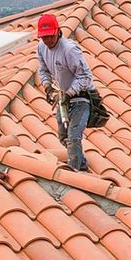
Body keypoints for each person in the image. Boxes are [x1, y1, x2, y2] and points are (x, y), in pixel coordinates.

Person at [34, 12, 96, 171]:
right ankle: (81, 164)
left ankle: (74, 173)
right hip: (63, 99)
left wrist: (69, 93)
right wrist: (47, 87)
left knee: (74, 137)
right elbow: (43, 70)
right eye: (44, 37)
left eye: (50, 36)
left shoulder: (69, 50)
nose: (47, 40)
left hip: (82, 98)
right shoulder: (41, 48)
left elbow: (85, 76)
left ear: (57, 31)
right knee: (63, 136)